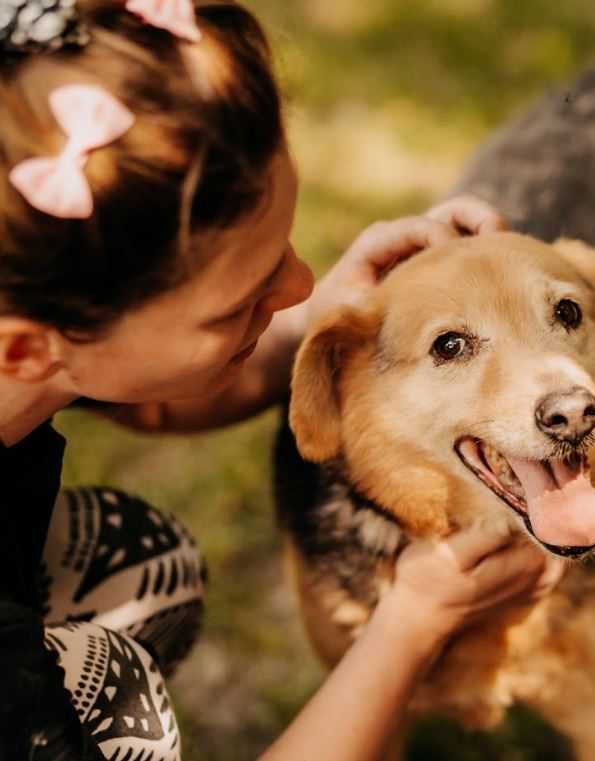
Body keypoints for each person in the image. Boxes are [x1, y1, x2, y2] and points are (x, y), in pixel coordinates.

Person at [0, 1, 561, 759]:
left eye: (285, 257)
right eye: (241, 299)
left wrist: (330, 320)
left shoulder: (35, 296)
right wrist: (411, 623)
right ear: (27, 351)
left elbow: (157, 403)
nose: (300, 283)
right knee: (114, 694)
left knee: (139, 565)